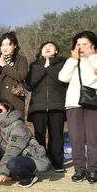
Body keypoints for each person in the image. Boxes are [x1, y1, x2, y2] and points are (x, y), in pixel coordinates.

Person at [58, 31, 97, 183]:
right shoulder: (72, 61)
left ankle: (93, 169)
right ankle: (79, 169)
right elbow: (63, 77)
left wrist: (92, 56)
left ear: (93, 46)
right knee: (76, 138)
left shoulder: (95, 59)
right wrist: (73, 60)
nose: (81, 47)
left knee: (93, 137)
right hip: (73, 103)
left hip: (93, 102)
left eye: (85, 44)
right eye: (78, 44)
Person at [26, 42, 68, 172]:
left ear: (56, 51)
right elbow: (29, 84)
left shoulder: (63, 63)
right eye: (45, 47)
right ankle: (41, 163)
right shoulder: (34, 65)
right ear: (40, 51)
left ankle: (57, 163)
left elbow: (63, 80)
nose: (47, 48)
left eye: (51, 46)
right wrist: (44, 68)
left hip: (57, 104)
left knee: (56, 135)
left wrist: (49, 68)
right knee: (39, 136)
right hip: (38, 106)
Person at [0, 101, 51, 187]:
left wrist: (3, 172)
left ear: (8, 110)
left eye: (0, 110)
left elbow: (13, 149)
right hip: (18, 156)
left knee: (12, 164)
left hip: (32, 156)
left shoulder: (17, 125)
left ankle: (29, 176)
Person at [0, 32, 28, 114]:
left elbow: (21, 76)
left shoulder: (21, 59)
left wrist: (5, 66)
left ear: (15, 46)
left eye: (8, 44)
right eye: (2, 45)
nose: (5, 47)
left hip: (14, 102)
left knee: (14, 126)